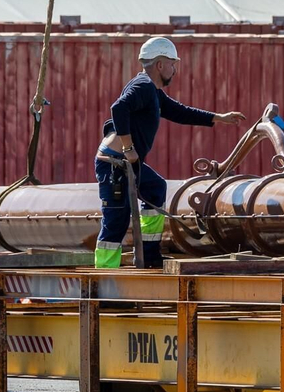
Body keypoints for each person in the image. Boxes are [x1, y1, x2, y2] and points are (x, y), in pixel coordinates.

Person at [95, 37, 244, 268]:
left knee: (155, 189)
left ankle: (149, 256)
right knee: (116, 220)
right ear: (160, 64)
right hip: (115, 162)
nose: (174, 70)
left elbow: (179, 112)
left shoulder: (152, 92)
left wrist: (218, 117)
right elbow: (119, 107)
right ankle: (103, 278)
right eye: (172, 64)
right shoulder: (142, 86)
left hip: (126, 162)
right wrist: (128, 147)